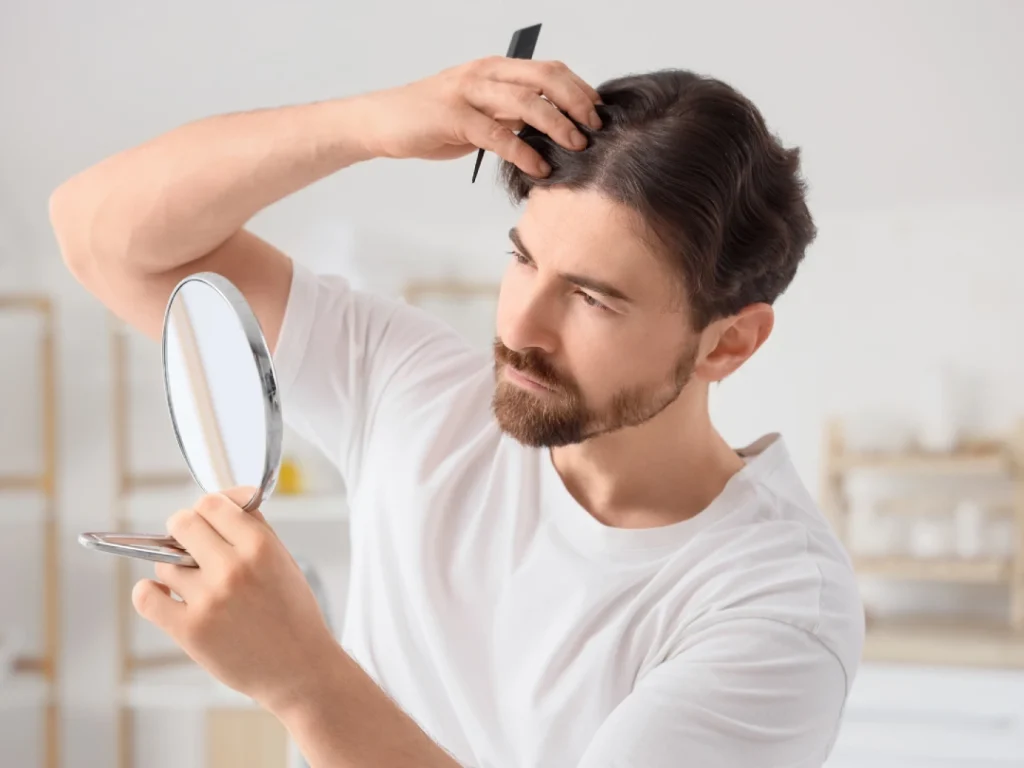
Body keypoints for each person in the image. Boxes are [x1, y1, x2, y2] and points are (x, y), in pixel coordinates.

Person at [51, 55, 864, 768]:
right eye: (523, 260)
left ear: (728, 345)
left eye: (592, 298)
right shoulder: (419, 388)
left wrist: (301, 680)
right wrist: (370, 123)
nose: (520, 328)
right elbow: (100, 236)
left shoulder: (776, 607)